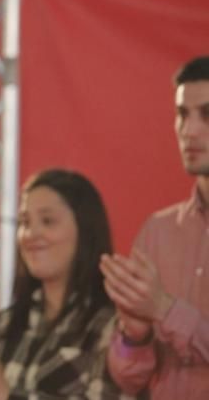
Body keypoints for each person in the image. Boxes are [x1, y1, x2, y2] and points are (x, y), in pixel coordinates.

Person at [0, 168, 132, 399]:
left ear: (85, 230)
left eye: (48, 221)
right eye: (24, 222)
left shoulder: (113, 326)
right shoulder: (2, 325)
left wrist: (5, 395)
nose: (31, 234)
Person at [100, 55, 209, 398]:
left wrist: (164, 309)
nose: (189, 130)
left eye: (208, 115)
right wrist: (135, 336)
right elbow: (129, 379)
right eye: (182, 114)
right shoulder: (158, 231)